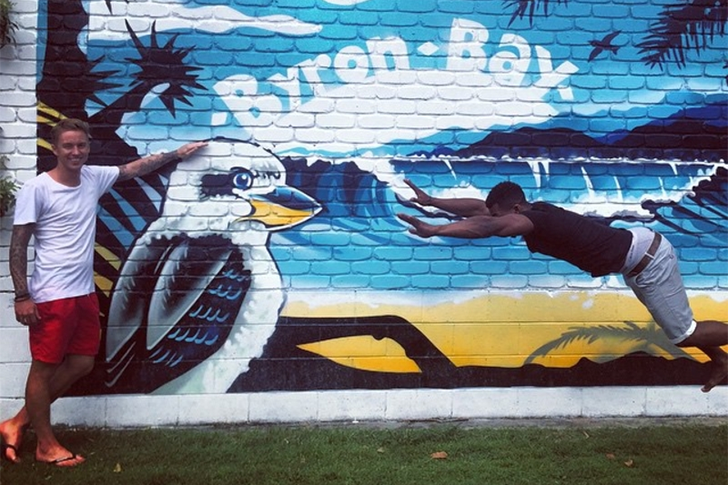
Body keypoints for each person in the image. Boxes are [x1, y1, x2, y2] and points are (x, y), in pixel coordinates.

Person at [0, 118, 207, 467]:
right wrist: (22, 295)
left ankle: (17, 423)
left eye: (81, 145)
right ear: (55, 149)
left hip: (83, 292)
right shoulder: (37, 189)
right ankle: (45, 446)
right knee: (43, 369)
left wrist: (176, 154)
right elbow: (18, 244)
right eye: (68, 145)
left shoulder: (93, 177)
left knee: (82, 363)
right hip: (51, 295)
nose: (75, 151)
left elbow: (133, 169)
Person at [397, 178, 728, 394]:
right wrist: (432, 201)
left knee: (683, 334)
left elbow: (487, 225)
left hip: (648, 260)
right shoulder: (533, 208)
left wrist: (435, 230)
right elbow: (479, 209)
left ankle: (720, 358)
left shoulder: (535, 220)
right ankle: (721, 361)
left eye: (503, 216)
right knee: (678, 325)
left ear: (515, 210)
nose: (500, 220)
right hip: (637, 257)